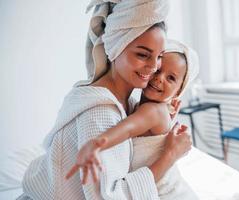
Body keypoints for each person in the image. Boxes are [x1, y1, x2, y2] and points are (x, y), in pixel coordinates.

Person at [19, 1, 192, 200]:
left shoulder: (122, 102)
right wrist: (170, 155)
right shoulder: (100, 114)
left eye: (160, 56)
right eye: (143, 55)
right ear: (115, 46)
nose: (154, 67)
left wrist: (164, 124)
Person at [65, 39, 200, 200]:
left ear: (178, 92)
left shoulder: (154, 111)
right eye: (158, 71)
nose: (160, 78)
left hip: (170, 194)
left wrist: (97, 143)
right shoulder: (139, 107)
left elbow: (128, 128)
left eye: (171, 78)